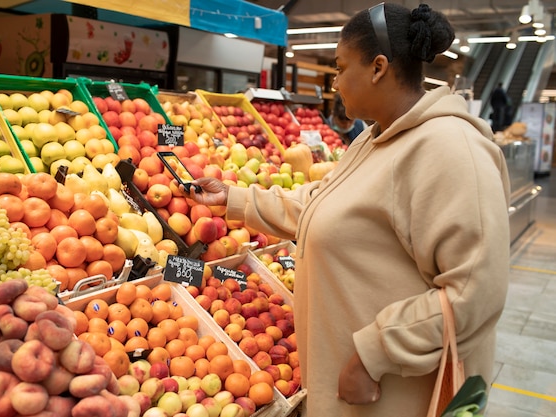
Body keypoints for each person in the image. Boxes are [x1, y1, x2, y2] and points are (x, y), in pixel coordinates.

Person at [180, 3, 510, 416]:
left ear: (377, 67)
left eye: (339, 68)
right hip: (351, 388)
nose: (335, 83)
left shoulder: (450, 149)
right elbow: (323, 207)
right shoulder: (373, 140)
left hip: (395, 393)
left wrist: (374, 352)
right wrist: (234, 199)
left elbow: (476, 290)